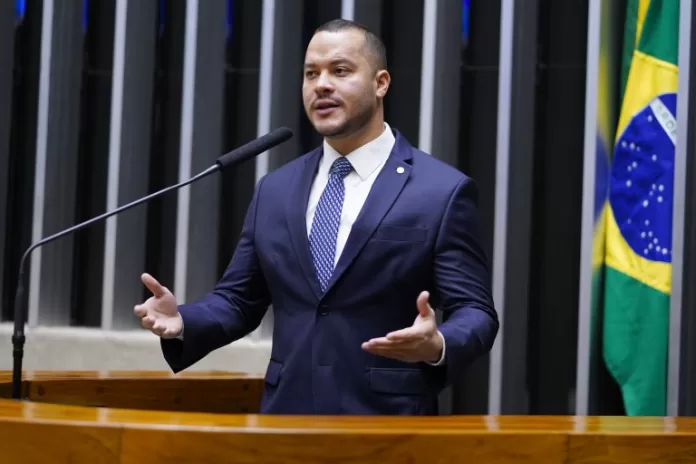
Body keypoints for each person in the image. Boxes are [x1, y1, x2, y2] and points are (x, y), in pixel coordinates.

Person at [134, 19, 498, 415]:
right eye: (311, 73)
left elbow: (476, 311)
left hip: (388, 425)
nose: (321, 84)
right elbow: (238, 300)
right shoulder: (276, 189)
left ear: (381, 83)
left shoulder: (441, 190)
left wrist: (438, 345)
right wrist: (183, 320)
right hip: (286, 419)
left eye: (340, 71)